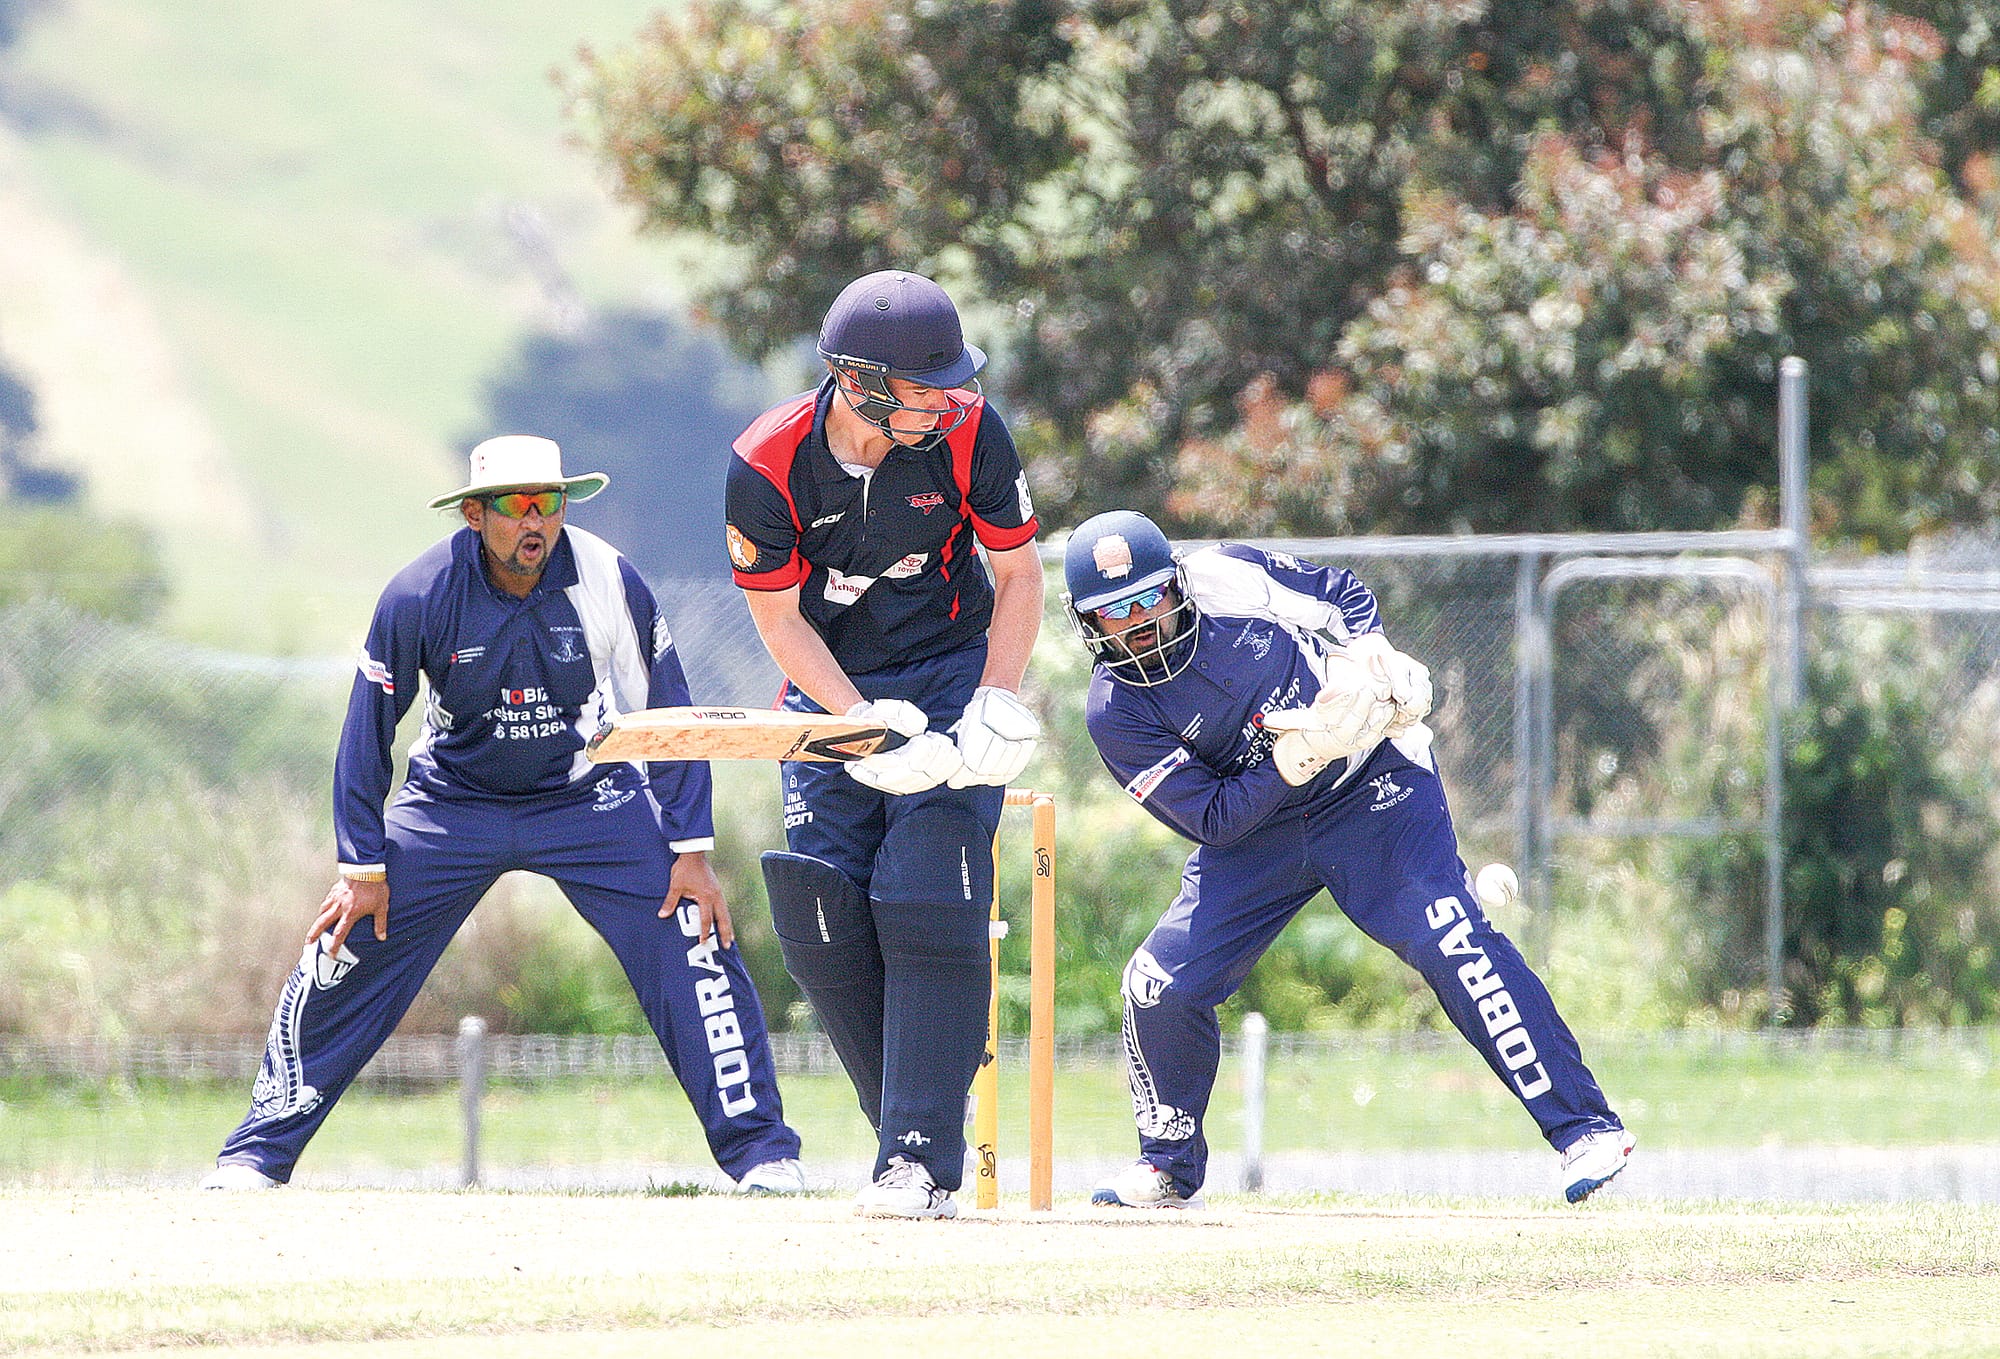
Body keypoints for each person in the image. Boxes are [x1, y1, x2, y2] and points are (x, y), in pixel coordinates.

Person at [202, 435, 803, 1192]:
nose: (535, 521)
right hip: (451, 802)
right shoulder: (419, 593)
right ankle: (256, 1154)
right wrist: (361, 865)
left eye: (549, 502)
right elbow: (366, 730)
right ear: (475, 515)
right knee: (343, 939)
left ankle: (762, 1154)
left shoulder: (607, 576)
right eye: (516, 505)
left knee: (695, 928)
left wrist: (690, 848)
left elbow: (668, 708)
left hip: (588, 797)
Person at [1062, 509, 1633, 1209]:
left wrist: (1373, 658)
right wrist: (1298, 754)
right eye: (1113, 611)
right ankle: (1167, 1166)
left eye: (1148, 597)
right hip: (1256, 829)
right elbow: (1213, 818)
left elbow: (1340, 593)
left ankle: (1586, 1129)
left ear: (1177, 582)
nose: (1138, 623)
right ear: (1086, 623)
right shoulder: (1114, 712)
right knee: (1157, 985)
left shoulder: (1224, 575)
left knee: (1449, 939)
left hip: (1371, 784)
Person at [724, 270, 1044, 1218]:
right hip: (831, 685)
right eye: (925, 387)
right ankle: (914, 1126)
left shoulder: (971, 432)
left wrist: (992, 699)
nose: (950, 401)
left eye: (955, 382)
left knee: (925, 885)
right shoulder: (767, 462)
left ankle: (917, 1159)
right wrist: (862, 724)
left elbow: (1019, 575)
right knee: (818, 908)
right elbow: (780, 622)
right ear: (858, 382)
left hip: (950, 667)